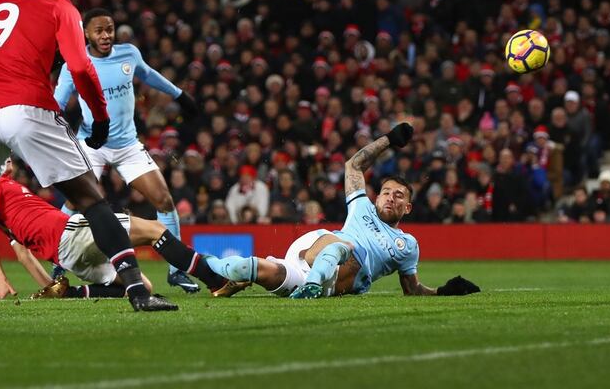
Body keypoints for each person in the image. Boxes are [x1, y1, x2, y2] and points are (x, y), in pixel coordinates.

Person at [0, 0, 174, 313]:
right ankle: (138, 291)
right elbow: (80, 68)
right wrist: (99, 118)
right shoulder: (58, 4)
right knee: (91, 201)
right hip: (29, 107)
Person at [200, 123, 480, 299]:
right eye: (386, 192)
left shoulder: (408, 245)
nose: (390, 198)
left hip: (327, 282)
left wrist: (444, 292)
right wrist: (388, 140)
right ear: (376, 196)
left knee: (243, 267)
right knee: (347, 245)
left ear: (407, 207)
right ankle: (191, 261)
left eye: (399, 196)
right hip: (319, 248)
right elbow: (353, 166)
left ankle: (208, 267)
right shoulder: (361, 206)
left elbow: (412, 290)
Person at [53, 8, 200, 293]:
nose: (106, 35)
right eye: (99, 30)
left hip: (128, 145)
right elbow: (58, 103)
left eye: (109, 29)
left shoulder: (128, 54)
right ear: (86, 34)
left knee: (164, 200)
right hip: (92, 144)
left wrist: (179, 95)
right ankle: (57, 261)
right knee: (73, 204)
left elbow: (149, 74)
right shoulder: (75, 63)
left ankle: (176, 270)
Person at [0, 160, 233, 300]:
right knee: (155, 230)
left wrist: (51, 287)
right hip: (73, 233)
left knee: (141, 286)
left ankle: (73, 295)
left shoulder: (10, 208)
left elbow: (23, 254)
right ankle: (216, 282)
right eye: (1, 156)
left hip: (68, 257)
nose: (8, 157)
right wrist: (1, 280)